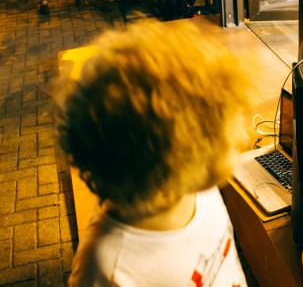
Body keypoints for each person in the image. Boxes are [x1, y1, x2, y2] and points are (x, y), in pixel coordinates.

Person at [55, 19, 253, 287]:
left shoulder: (194, 187)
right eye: (226, 137)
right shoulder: (108, 270)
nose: (243, 139)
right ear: (172, 168)